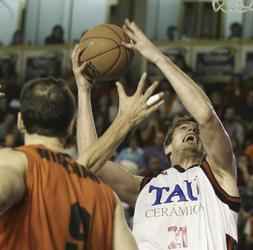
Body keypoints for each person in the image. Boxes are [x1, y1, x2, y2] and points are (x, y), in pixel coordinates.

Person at [77, 19, 240, 250]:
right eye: (183, 128)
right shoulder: (142, 188)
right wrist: (84, 90)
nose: (192, 130)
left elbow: (206, 117)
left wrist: (157, 57)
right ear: (167, 147)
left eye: (195, 131)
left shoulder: (219, 176)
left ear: (206, 147)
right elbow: (89, 159)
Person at [0, 46, 164, 250]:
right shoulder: (106, 197)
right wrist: (123, 120)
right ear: (70, 126)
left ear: (20, 122)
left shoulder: (15, 162)